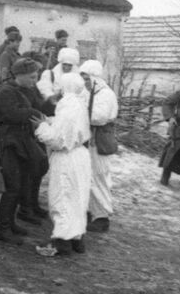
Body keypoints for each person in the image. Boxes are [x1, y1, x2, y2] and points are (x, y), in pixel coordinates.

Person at [0, 58, 52, 245]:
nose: (35, 80)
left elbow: (40, 106)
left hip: (23, 141)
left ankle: (10, 223)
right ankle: (1, 229)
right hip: (9, 142)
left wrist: (52, 102)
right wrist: (33, 113)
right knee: (11, 187)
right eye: (32, 77)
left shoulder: (27, 89)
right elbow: (13, 115)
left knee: (21, 183)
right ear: (20, 75)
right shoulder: (6, 92)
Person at [33, 73, 92, 257]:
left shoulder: (68, 105)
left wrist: (41, 127)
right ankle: (76, 238)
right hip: (79, 154)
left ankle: (62, 241)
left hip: (67, 157)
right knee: (77, 198)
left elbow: (58, 139)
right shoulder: (79, 102)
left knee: (63, 196)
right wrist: (51, 122)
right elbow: (69, 128)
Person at [78, 60, 118, 233]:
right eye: (83, 79)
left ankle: (102, 216)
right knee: (89, 176)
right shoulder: (90, 92)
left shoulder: (105, 94)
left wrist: (79, 112)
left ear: (94, 77)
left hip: (100, 140)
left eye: (87, 79)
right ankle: (91, 210)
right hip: (91, 140)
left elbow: (99, 117)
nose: (85, 82)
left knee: (98, 177)